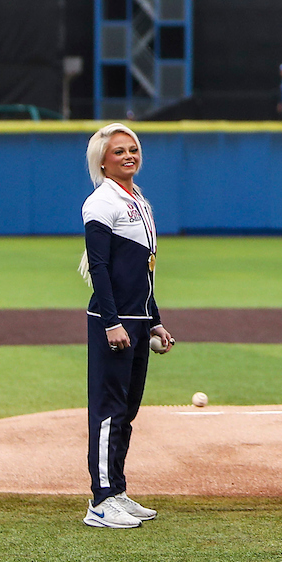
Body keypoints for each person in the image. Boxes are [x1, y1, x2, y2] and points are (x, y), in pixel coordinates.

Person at [80, 123, 175, 529]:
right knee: (108, 410)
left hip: (137, 320)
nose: (128, 155)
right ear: (103, 160)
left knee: (127, 410)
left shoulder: (139, 201)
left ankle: (116, 490)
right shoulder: (101, 201)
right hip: (113, 321)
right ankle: (100, 502)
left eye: (133, 149)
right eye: (119, 151)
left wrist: (154, 321)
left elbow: (144, 271)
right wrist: (111, 322)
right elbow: (99, 267)